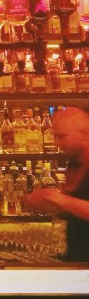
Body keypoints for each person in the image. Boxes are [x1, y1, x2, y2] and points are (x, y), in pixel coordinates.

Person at [25, 106, 89, 261]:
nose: (56, 142)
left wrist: (57, 198)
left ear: (85, 135)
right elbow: (76, 209)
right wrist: (46, 204)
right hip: (78, 261)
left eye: (62, 136)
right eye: (55, 136)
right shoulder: (74, 164)